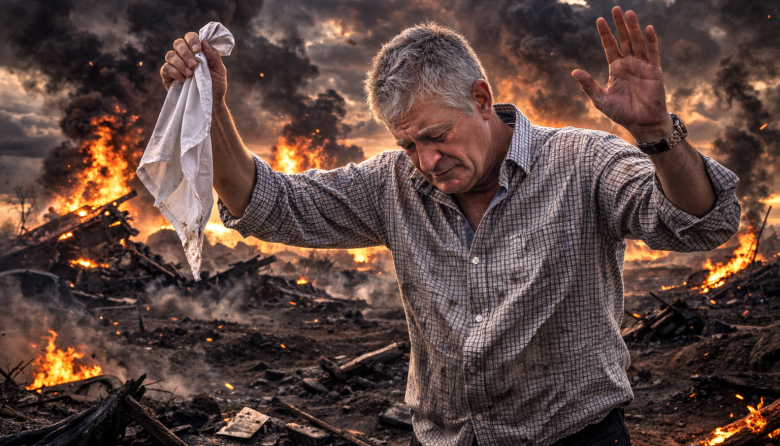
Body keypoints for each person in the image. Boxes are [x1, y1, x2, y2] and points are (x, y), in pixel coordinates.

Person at [160, 7, 739, 446]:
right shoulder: (392, 184)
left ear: (481, 99)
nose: (426, 162)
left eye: (437, 136)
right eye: (408, 144)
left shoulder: (583, 163)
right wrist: (208, 104)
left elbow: (697, 224)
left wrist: (659, 132)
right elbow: (265, 201)